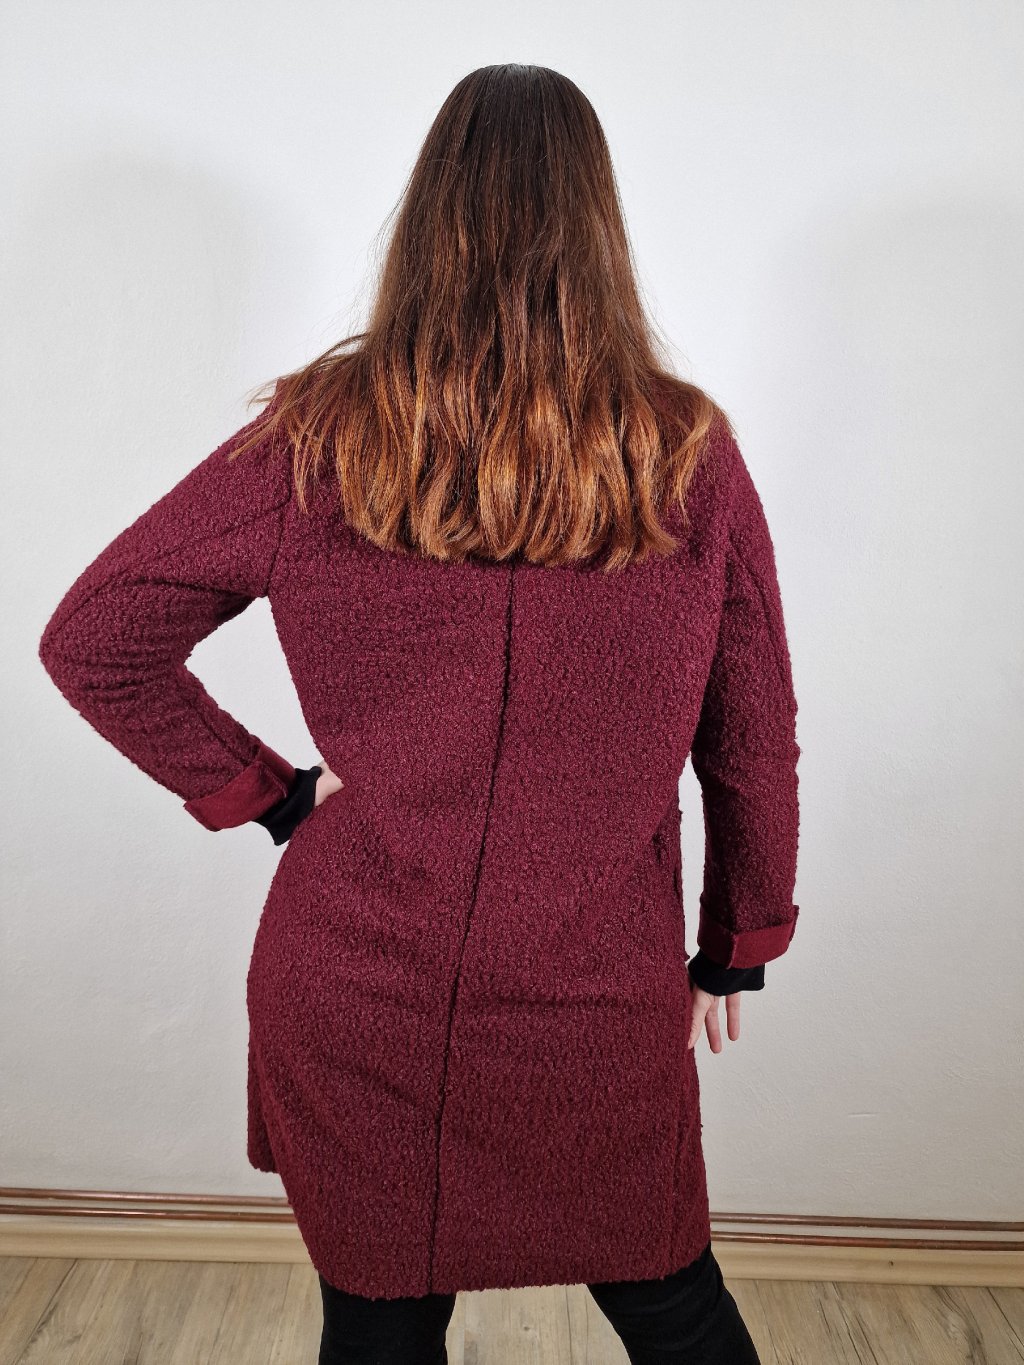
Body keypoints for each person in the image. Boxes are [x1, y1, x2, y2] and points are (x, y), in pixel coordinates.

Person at [38, 63, 799, 1365]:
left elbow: (94, 637)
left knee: (379, 1321)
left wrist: (275, 795)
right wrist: (741, 937)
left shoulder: (319, 437)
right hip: (592, 977)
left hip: (358, 975)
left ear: (427, 216)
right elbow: (752, 730)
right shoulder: (684, 450)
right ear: (599, 226)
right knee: (672, 1306)